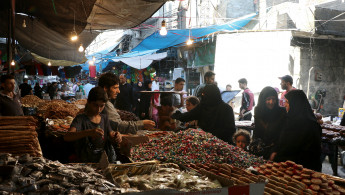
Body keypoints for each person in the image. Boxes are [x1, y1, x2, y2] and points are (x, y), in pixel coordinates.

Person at [64, 87, 121, 163]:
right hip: (85, 161)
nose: (98, 109)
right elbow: (67, 137)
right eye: (95, 105)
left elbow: (111, 134)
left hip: (102, 160)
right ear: (88, 102)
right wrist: (88, 132)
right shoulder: (81, 119)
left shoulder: (104, 118)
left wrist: (116, 136)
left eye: (102, 106)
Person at [270, 90, 322, 171]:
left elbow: (293, 150)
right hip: (291, 166)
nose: (285, 105)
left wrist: (277, 156)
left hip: (301, 170)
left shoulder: (305, 125)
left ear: (295, 104)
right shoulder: (292, 120)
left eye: (287, 102)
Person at [172, 84, 236, 144]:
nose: (203, 96)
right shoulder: (227, 108)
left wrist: (176, 115)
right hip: (223, 144)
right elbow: (231, 129)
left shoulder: (202, 107)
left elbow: (187, 116)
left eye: (204, 94)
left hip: (207, 143)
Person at [253, 86, 286, 159]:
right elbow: (257, 131)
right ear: (263, 100)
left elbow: (282, 135)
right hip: (261, 149)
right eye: (268, 99)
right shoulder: (258, 110)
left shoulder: (281, 112)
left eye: (273, 99)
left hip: (276, 150)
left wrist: (275, 150)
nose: (271, 102)